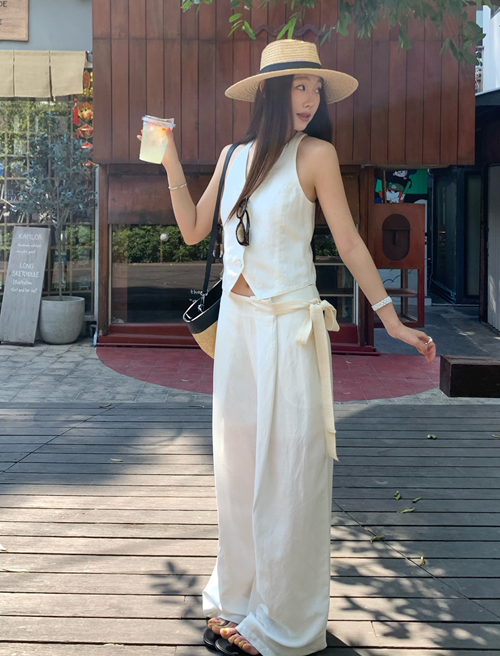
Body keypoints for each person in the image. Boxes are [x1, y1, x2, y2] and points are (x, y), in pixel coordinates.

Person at [139, 39, 435, 656]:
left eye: (315, 88)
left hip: (290, 330)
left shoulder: (317, 155)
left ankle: (284, 625)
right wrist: (170, 162)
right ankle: (238, 601)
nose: (310, 98)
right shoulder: (233, 156)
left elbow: (350, 243)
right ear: (272, 92)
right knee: (237, 473)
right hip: (239, 330)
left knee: (291, 477)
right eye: (299, 86)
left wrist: (391, 320)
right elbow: (194, 230)